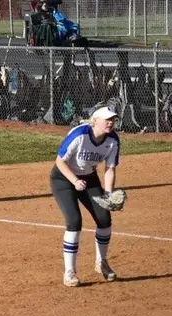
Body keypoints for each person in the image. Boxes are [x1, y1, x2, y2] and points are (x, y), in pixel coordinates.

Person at [50, 106, 121, 287]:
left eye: (113, 119)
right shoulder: (80, 134)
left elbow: (110, 168)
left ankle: (101, 262)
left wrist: (108, 194)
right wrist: (74, 180)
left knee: (104, 218)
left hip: (89, 178)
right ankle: (69, 272)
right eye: (107, 119)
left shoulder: (112, 140)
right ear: (95, 121)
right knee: (74, 222)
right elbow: (60, 161)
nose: (111, 123)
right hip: (63, 179)